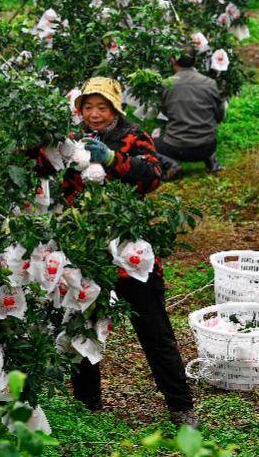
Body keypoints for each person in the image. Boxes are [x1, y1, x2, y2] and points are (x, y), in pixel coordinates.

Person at [37, 76, 197, 427]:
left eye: (102, 107)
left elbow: (153, 173)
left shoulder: (133, 136)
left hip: (127, 246)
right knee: (83, 320)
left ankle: (180, 405)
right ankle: (87, 403)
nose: (94, 114)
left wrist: (112, 158)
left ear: (115, 108)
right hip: (83, 245)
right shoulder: (71, 138)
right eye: (88, 107)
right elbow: (43, 167)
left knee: (153, 325)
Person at [155, 47, 226, 180]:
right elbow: (220, 115)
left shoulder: (166, 85)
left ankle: (171, 164)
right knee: (206, 132)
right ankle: (211, 161)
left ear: (172, 60)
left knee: (147, 145)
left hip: (176, 149)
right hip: (207, 147)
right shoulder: (210, 83)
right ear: (196, 60)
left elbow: (165, 112)